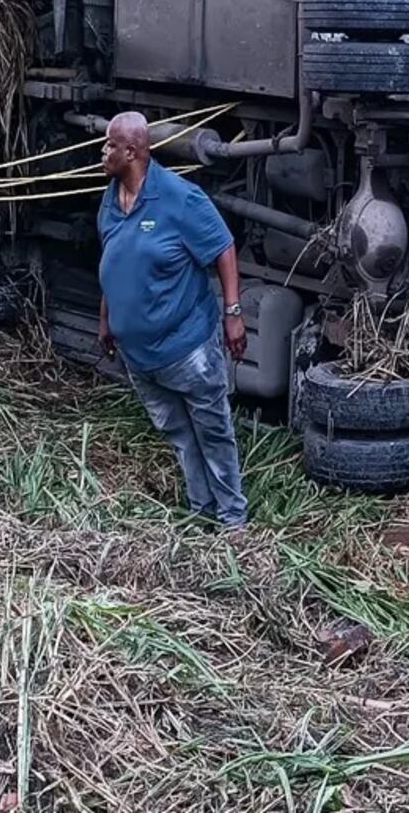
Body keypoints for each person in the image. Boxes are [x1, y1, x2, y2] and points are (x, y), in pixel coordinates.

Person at [96, 111, 249, 529]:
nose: (103, 151)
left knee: (212, 433)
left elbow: (222, 247)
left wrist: (233, 313)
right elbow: (114, 261)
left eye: (110, 145)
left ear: (133, 151)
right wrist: (106, 319)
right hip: (140, 357)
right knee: (180, 437)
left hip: (187, 348)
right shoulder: (111, 199)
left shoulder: (180, 198)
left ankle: (233, 521)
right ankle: (201, 511)